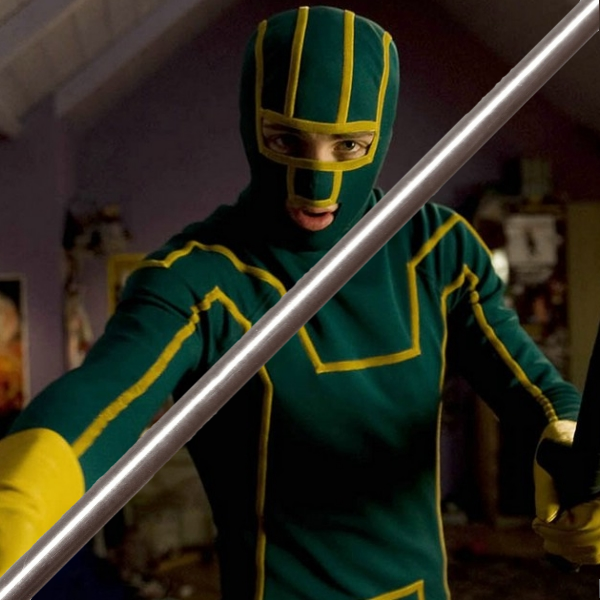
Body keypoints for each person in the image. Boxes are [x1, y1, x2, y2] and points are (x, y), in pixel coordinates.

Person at [0, 6, 598, 599]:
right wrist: (23, 495)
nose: (317, 181)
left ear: (381, 134)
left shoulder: (437, 250)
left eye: (349, 145)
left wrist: (573, 452)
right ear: (251, 125)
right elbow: (104, 395)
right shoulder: (198, 279)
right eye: (286, 139)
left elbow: (529, 383)